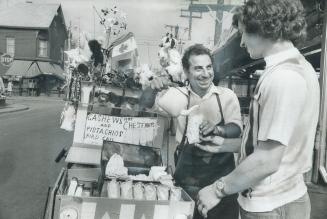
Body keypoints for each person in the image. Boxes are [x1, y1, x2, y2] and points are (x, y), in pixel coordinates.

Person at [196, 1, 320, 219]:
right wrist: (223, 144)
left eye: (244, 33)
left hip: (270, 205)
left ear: (264, 27)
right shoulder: (299, 67)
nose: (242, 42)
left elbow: (268, 159)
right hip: (283, 197)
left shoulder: (283, 77)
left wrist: (218, 189)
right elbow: (279, 145)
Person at [144, 44, 243, 219]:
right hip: (187, 185)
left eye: (208, 67)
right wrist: (151, 87)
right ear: (187, 72)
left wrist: (218, 128)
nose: (205, 74)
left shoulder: (226, 96)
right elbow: (146, 103)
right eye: (198, 68)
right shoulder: (178, 96)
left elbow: (236, 128)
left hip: (221, 187)